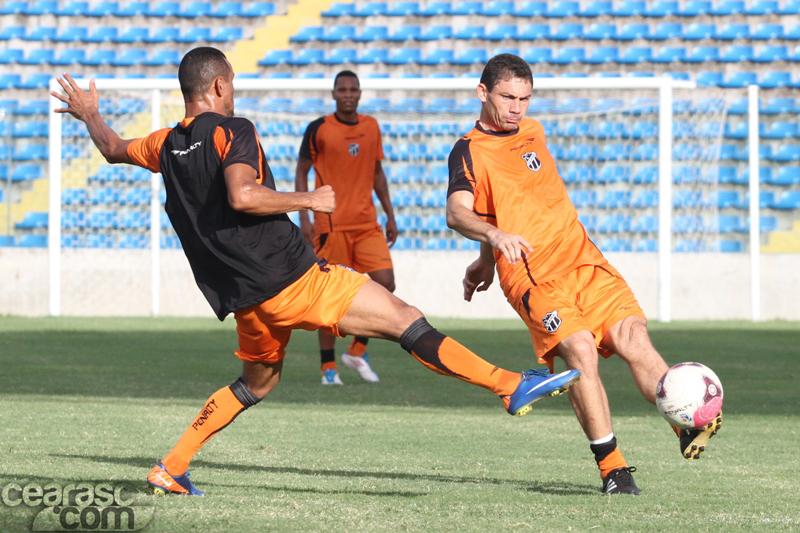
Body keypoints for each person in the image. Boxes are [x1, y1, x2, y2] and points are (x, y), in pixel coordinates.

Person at [50, 47, 581, 496]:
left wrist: (90, 113)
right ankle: (509, 385)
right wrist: (309, 198)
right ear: (217, 86)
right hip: (291, 278)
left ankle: (171, 467)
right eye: (232, 83)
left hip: (245, 297)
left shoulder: (167, 142)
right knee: (405, 318)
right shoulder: (233, 129)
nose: (234, 92)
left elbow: (113, 148)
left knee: (256, 384)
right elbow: (243, 194)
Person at [445, 53, 722, 495]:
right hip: (534, 276)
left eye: (525, 99)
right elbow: (458, 212)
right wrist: (493, 241)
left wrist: (483, 258)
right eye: (508, 97)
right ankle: (613, 469)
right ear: (483, 92)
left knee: (633, 336)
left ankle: (686, 422)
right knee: (579, 350)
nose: (517, 108)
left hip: (583, 259)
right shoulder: (468, 151)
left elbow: (504, 203)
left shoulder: (533, 131)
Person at [295, 70, 395, 386]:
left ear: (360, 93)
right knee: (329, 297)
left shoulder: (371, 126)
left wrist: (390, 214)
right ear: (334, 94)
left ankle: (356, 351)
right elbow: (301, 171)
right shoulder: (319, 129)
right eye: (342, 89)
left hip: (366, 223)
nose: (348, 94)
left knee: (386, 284)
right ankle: (328, 368)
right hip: (331, 225)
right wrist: (305, 217)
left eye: (353, 89)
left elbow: (377, 173)